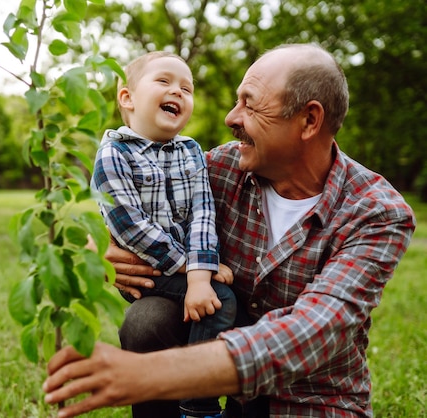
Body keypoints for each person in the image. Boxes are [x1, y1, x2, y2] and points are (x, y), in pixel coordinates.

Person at [42, 43, 416, 418]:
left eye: (249, 104)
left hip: (307, 401)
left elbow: (313, 330)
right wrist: (103, 248)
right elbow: (140, 201)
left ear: (309, 121)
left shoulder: (375, 213)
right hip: (224, 385)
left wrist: (148, 373)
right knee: (148, 319)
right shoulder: (219, 167)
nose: (230, 117)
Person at [90, 51, 237, 418]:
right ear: (127, 98)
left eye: (187, 88)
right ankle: (199, 402)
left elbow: (204, 213)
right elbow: (129, 225)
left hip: (190, 267)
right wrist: (192, 270)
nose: (178, 91)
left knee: (213, 299)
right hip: (147, 269)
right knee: (223, 300)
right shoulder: (113, 154)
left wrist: (200, 272)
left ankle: (190, 396)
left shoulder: (191, 152)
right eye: (164, 82)